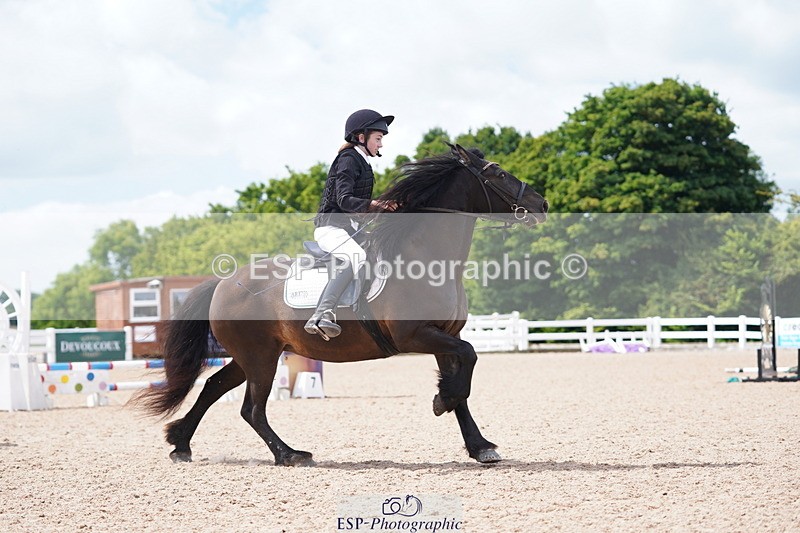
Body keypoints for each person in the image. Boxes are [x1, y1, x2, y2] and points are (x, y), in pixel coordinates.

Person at [304, 109, 396, 339]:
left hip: (349, 229)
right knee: (357, 257)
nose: (381, 144)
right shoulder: (348, 160)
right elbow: (344, 200)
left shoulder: (363, 163)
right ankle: (322, 313)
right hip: (330, 228)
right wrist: (375, 205)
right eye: (378, 138)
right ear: (361, 137)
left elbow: (358, 208)